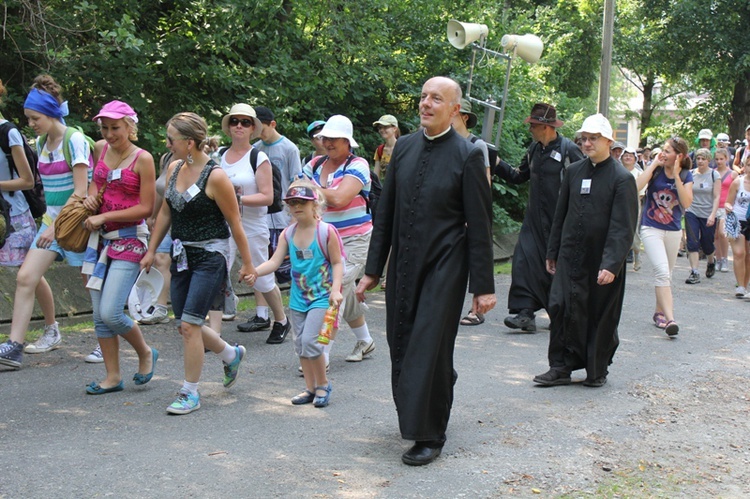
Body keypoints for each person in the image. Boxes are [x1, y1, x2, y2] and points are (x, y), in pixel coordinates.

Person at [355, 76, 496, 466]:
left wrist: (482, 287)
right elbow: (386, 212)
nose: (426, 104)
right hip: (404, 263)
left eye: (437, 98)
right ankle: (434, 392)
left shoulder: (468, 155)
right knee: (400, 340)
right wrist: (372, 270)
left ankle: (429, 432)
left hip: (446, 265)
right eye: (422, 97)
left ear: (455, 110)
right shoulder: (402, 149)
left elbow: (479, 224)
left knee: (426, 345)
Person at [140, 112, 255, 415]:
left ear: (189, 142)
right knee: (184, 324)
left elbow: (235, 223)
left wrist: (247, 265)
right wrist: (152, 249)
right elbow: (166, 212)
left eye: (171, 140)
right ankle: (230, 354)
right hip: (181, 255)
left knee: (190, 324)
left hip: (210, 256)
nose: (167, 144)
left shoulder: (215, 176)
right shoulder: (176, 167)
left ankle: (190, 391)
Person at [533, 113, 638, 388]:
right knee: (560, 306)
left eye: (593, 139)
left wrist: (611, 264)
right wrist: (552, 251)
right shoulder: (573, 171)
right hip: (570, 254)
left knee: (598, 312)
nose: (587, 144)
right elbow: (561, 214)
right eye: (584, 139)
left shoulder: (621, 178)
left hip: (600, 259)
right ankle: (560, 366)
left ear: (608, 141)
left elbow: (622, 227)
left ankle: (596, 368)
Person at [0, 75, 94, 369]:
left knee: (91, 284)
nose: (31, 124)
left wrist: (56, 227)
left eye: (35, 118)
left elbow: (80, 190)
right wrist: (50, 225)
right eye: (28, 118)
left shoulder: (74, 140)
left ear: (52, 113)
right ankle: (15, 346)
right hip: (50, 222)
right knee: (26, 277)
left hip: (75, 223)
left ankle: (107, 338)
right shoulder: (41, 142)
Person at [80, 100, 158, 394]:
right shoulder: (101, 149)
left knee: (112, 312)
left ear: (129, 126)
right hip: (99, 240)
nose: (109, 134)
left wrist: (105, 215)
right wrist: (90, 199)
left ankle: (146, 353)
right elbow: (96, 184)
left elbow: (146, 207)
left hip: (130, 238)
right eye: (104, 128)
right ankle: (112, 377)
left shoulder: (143, 159)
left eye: (115, 128)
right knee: (99, 315)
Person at [252, 181, 344, 407]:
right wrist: (254, 272)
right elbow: (274, 262)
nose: (296, 207)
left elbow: (337, 262)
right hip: (298, 299)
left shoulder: (326, 232)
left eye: (302, 202)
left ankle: (323, 384)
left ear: (315, 205)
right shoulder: (288, 233)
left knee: (312, 342)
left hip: (322, 298)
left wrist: (335, 290)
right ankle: (310, 388)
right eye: (292, 203)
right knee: (301, 345)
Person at [494, 103, 584, 332]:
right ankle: (525, 314)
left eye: (533, 125)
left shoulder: (569, 150)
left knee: (557, 267)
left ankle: (561, 312)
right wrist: (497, 164)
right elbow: (518, 176)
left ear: (545, 127)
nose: (530, 129)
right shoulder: (534, 149)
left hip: (559, 222)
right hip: (533, 221)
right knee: (523, 263)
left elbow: (583, 183)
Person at [303, 114, 376, 364]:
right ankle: (365, 341)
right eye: (326, 138)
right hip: (323, 241)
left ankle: (320, 354)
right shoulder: (313, 164)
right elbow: (298, 198)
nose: (329, 143)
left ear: (348, 142)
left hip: (356, 240)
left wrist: (310, 189)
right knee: (345, 291)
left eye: (335, 139)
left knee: (333, 291)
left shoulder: (358, 165)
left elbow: (340, 198)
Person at [236, 105, 299, 341]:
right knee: (257, 264)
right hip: (258, 216)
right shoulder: (255, 149)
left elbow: (295, 179)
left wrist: (294, 217)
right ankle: (262, 315)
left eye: (258, 126)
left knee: (277, 268)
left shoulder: (288, 148)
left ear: (271, 124)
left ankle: (289, 312)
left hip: (281, 216)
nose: (257, 132)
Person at [636, 137, 694, 336]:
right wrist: (653, 164)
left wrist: (677, 176)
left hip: (673, 230)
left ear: (680, 156)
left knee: (666, 275)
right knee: (661, 272)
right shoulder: (656, 171)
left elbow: (686, 203)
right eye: (663, 149)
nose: (664, 153)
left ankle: (658, 312)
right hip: (651, 227)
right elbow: (635, 187)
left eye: (668, 151)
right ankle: (670, 320)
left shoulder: (686, 175)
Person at [138, 151, 173, 324]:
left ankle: (224, 300)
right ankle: (160, 307)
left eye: (172, 139)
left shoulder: (196, 158)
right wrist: (152, 215)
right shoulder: (166, 158)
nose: (168, 144)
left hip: (187, 221)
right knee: (160, 259)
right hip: (165, 218)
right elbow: (160, 190)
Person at [684, 148, 720, 284]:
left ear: (708, 160)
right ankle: (695, 272)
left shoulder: (714, 175)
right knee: (692, 243)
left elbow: (717, 197)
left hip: (707, 213)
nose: (700, 161)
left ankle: (711, 261)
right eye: (698, 158)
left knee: (706, 244)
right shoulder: (691, 174)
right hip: (692, 211)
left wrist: (713, 214)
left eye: (703, 159)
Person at [723, 169, 750, 298]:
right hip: (738, 221)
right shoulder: (737, 182)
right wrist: (728, 206)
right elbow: (728, 201)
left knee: (748, 256)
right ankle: (740, 287)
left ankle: (745, 285)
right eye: (749, 165)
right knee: (739, 253)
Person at [621, 147, 646, 271]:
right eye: (625, 155)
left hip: (633, 205)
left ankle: (636, 254)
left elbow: (641, 193)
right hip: (618, 204)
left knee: (634, 230)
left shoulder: (639, 173)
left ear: (635, 159)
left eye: (631, 156)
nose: (628, 158)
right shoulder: (617, 171)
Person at [714, 148, 738, 272]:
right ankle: (717, 258)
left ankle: (724, 259)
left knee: (722, 233)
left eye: (721, 159)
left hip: (726, 206)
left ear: (726, 159)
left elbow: (737, 190)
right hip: (714, 206)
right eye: (717, 159)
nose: (719, 161)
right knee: (715, 235)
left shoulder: (733, 174)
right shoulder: (713, 172)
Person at [372, 114, 400, 182]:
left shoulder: (403, 148)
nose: (382, 130)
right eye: (380, 127)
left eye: (385, 127)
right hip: (385, 190)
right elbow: (376, 177)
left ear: (394, 128)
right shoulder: (380, 150)